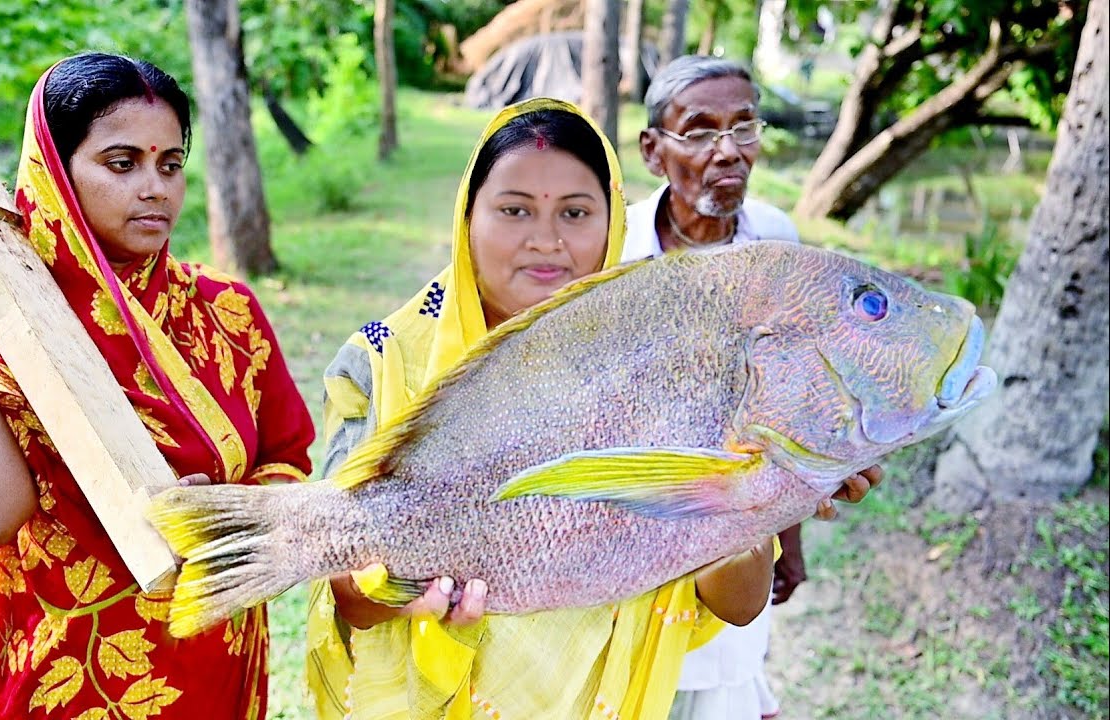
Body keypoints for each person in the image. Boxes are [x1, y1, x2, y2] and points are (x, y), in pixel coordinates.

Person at [305, 97, 799, 720]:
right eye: (515, 210)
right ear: (468, 216)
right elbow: (348, 598)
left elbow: (738, 603)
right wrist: (396, 584)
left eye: (575, 212)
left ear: (612, 221)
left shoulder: (673, 367)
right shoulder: (386, 362)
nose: (547, 241)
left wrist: (748, 497)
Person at [0, 53, 315, 719]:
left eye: (170, 164)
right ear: (57, 171)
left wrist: (229, 515)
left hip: (209, 664)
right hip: (61, 679)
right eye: (122, 163)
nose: (157, 188)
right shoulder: (13, 324)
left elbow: (288, 460)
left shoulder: (224, 312)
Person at [627, 54, 881, 720]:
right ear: (653, 150)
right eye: (701, 130)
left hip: (739, 532)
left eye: (744, 127)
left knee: (722, 676)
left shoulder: (776, 240)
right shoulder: (617, 248)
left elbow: (787, 402)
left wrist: (786, 539)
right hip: (635, 519)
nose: (728, 151)